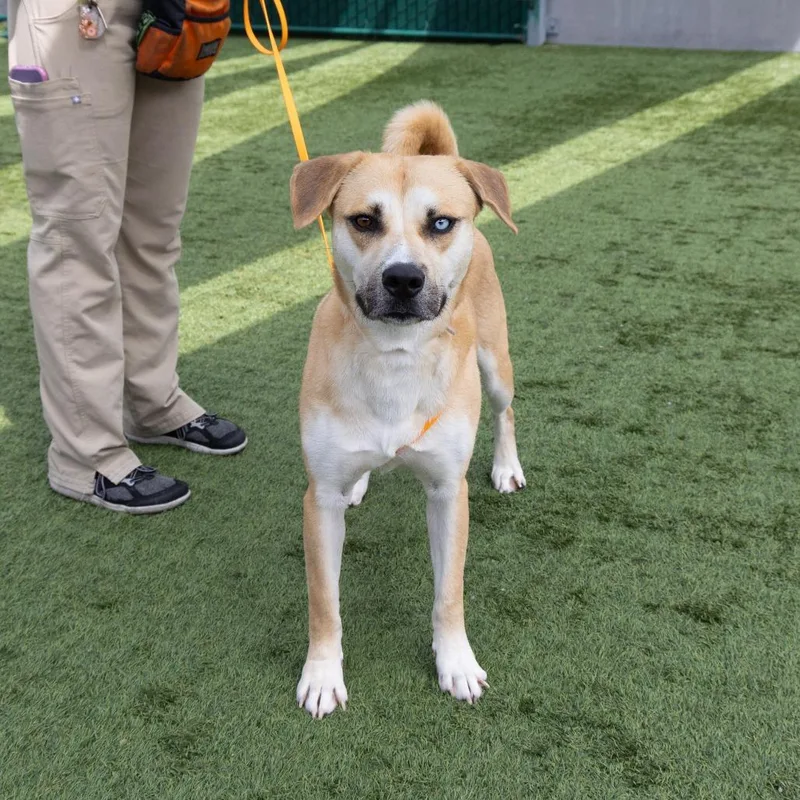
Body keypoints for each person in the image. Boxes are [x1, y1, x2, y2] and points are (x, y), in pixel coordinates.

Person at [7, 0, 246, 513]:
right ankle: (84, 454)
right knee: (78, 240)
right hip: (73, 14)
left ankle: (152, 400)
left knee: (153, 231)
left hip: (176, 8)